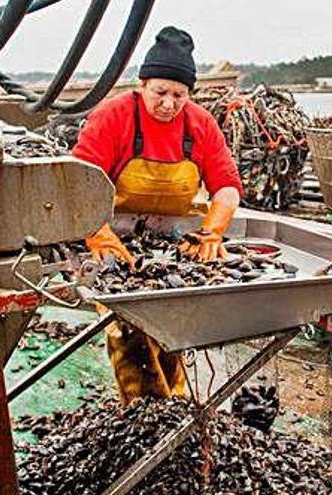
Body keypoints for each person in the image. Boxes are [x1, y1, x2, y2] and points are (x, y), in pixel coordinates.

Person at [72, 26, 243, 404]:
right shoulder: (113, 116)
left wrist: (213, 232)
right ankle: (147, 413)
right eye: (160, 92)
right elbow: (77, 184)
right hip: (107, 235)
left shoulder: (200, 124)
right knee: (128, 325)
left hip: (171, 243)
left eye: (179, 95)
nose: (169, 103)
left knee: (173, 321)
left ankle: (176, 407)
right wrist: (97, 235)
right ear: (142, 84)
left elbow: (227, 186)